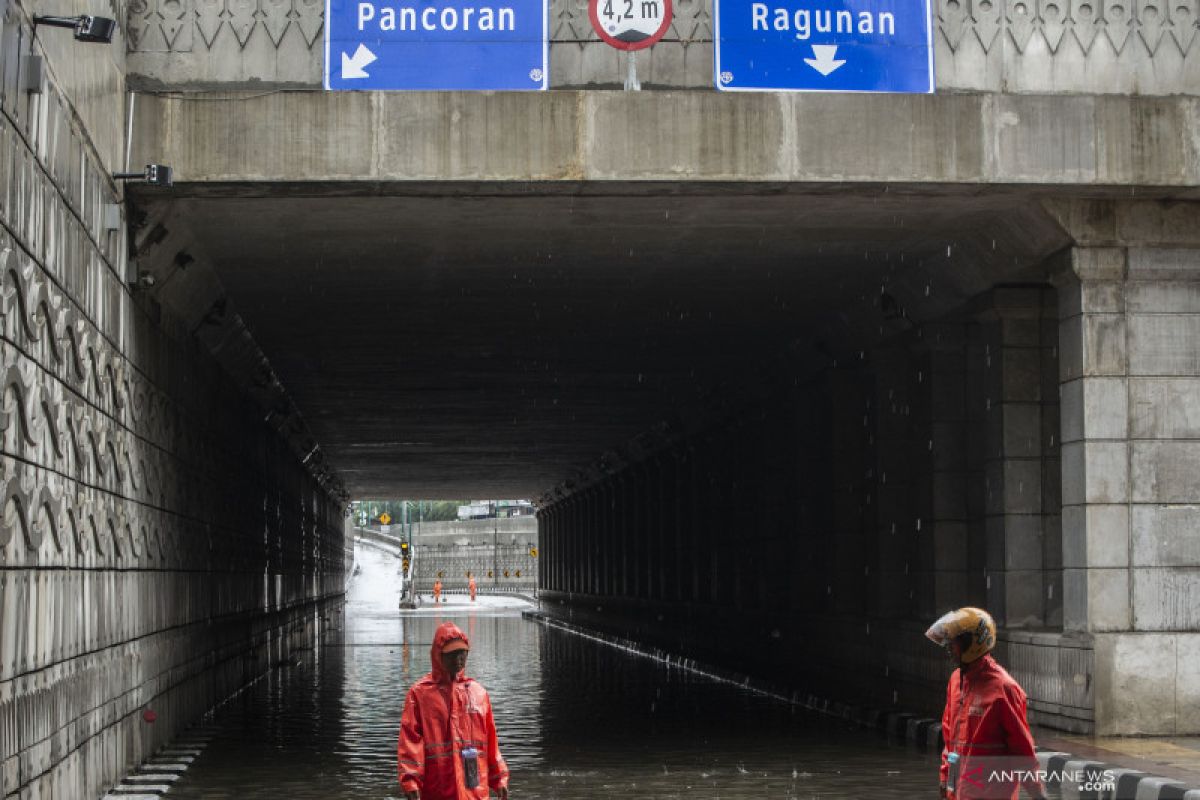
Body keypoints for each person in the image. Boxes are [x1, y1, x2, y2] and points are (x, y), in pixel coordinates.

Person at [926, 607, 1046, 800]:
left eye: (954, 642)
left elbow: (1022, 750)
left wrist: (1037, 794)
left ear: (971, 643)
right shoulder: (956, 681)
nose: (950, 647)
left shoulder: (1003, 689)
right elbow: (951, 741)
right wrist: (945, 777)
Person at [398, 621, 510, 800]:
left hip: (474, 788)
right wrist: (411, 781)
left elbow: (490, 740)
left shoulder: (478, 693)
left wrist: (499, 778)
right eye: (452, 654)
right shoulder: (419, 695)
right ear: (438, 655)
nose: (459, 658)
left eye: (463, 653)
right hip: (438, 787)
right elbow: (411, 741)